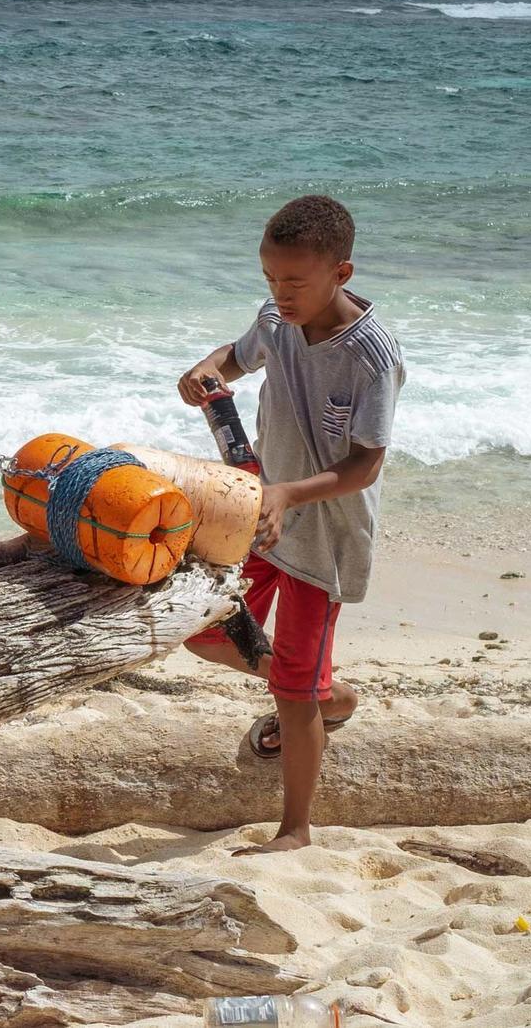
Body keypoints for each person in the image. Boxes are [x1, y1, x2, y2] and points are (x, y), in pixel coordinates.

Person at [177, 195, 405, 855]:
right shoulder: (276, 321)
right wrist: (208, 371)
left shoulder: (372, 356)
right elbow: (236, 357)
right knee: (203, 631)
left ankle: (296, 830)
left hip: (323, 538)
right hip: (260, 513)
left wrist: (288, 495)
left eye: (295, 282)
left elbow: (364, 465)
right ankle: (323, 695)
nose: (280, 295)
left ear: (342, 272)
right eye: (271, 280)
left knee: (292, 692)